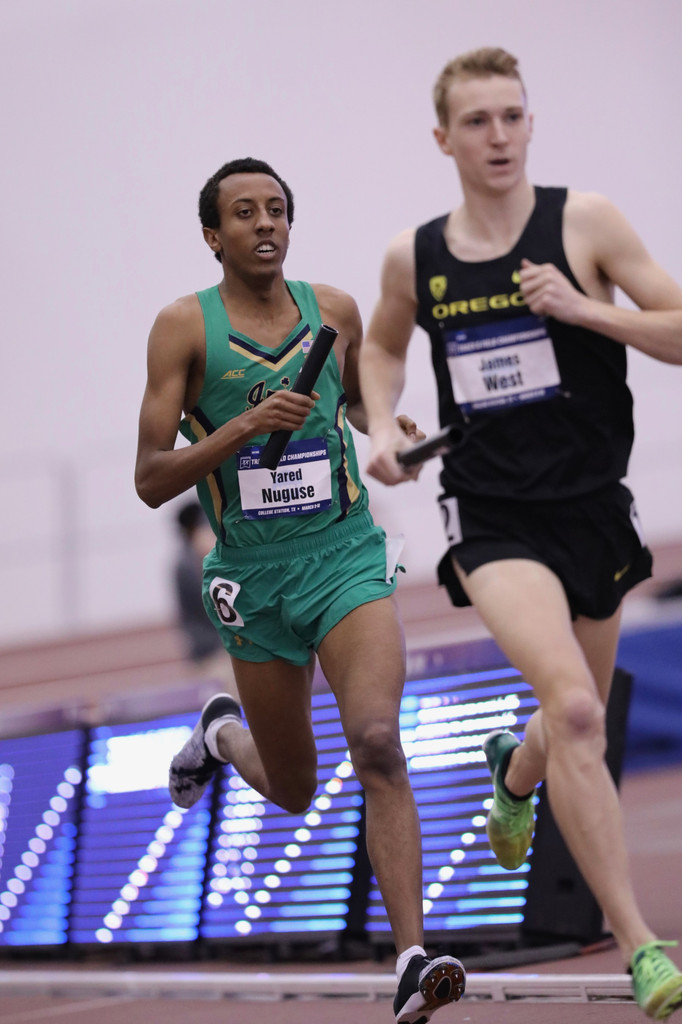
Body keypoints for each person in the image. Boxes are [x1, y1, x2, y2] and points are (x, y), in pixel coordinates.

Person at [359, 47, 682, 1022]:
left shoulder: (581, 222)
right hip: (490, 512)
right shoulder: (415, 255)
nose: (497, 136)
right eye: (477, 121)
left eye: (511, 116)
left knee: (563, 706)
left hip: (590, 504)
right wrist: (380, 424)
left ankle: (514, 766)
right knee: (579, 711)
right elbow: (379, 344)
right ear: (442, 138)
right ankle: (641, 946)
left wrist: (580, 306)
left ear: (529, 124)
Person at [134, 157, 465, 1022]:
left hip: (344, 557)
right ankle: (220, 732)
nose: (264, 222)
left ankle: (410, 959)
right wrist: (245, 423)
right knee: (293, 788)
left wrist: (392, 428)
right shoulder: (183, 330)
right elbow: (150, 478)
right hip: (254, 579)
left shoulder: (336, 311)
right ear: (214, 235)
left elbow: (358, 407)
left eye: (276, 208)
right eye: (243, 212)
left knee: (380, 739)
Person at [173, 500, 239, 698]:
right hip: (213, 653)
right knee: (231, 709)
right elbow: (212, 601)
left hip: (213, 650)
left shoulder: (189, 559)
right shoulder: (189, 563)